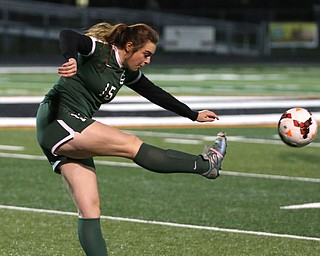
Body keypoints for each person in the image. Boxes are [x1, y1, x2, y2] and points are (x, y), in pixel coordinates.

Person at [36, 22, 227, 256]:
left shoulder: (127, 72)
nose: (148, 61)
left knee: (90, 210)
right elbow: (67, 35)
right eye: (146, 54)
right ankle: (207, 164)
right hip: (59, 118)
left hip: (71, 128)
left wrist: (193, 114)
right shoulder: (100, 51)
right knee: (130, 144)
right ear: (129, 46)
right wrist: (70, 58)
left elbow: (155, 93)